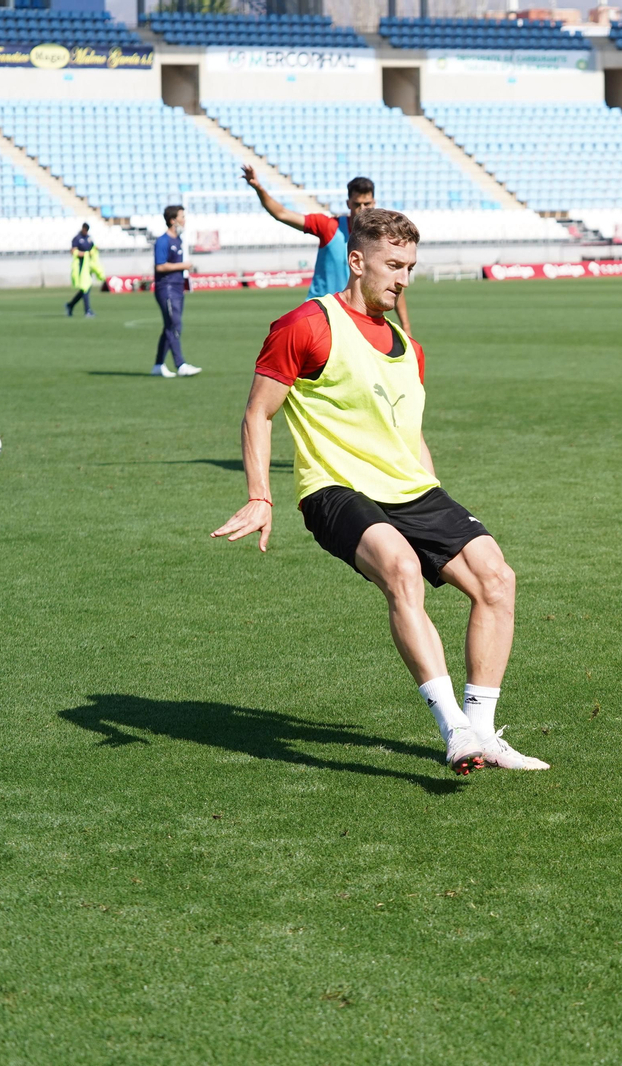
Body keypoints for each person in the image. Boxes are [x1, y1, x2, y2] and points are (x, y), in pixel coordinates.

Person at [210, 209, 544, 776]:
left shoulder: (409, 349)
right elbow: (257, 413)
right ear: (357, 261)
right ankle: (454, 731)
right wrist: (260, 494)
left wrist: (438, 501)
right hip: (335, 489)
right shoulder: (306, 325)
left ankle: (483, 732)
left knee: (496, 577)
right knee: (401, 565)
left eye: (410, 267)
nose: (403, 279)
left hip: (410, 488)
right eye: (393, 265)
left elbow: (411, 436)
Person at [240, 167, 412, 332]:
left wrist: (406, 327)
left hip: (355, 316)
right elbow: (282, 214)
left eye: (367, 204)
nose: (362, 210)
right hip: (320, 314)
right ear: (348, 203)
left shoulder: (379, 240)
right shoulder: (329, 227)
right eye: (357, 204)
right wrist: (259, 188)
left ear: (374, 202)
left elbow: (392, 281)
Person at [152, 205, 201, 378]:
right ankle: (180, 365)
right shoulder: (163, 241)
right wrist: (184, 265)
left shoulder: (177, 240)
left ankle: (158, 365)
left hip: (177, 288)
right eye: (182, 216)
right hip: (166, 288)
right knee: (174, 325)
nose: (184, 220)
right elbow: (160, 266)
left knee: (171, 326)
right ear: (173, 220)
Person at [66, 222, 102, 318]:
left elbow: (92, 247)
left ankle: (70, 305)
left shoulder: (88, 238)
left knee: (85, 288)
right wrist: (84, 254)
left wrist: (95, 249)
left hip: (88, 266)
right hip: (80, 266)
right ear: (83, 229)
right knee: (85, 288)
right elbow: (73, 251)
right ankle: (87, 310)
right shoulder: (77, 238)